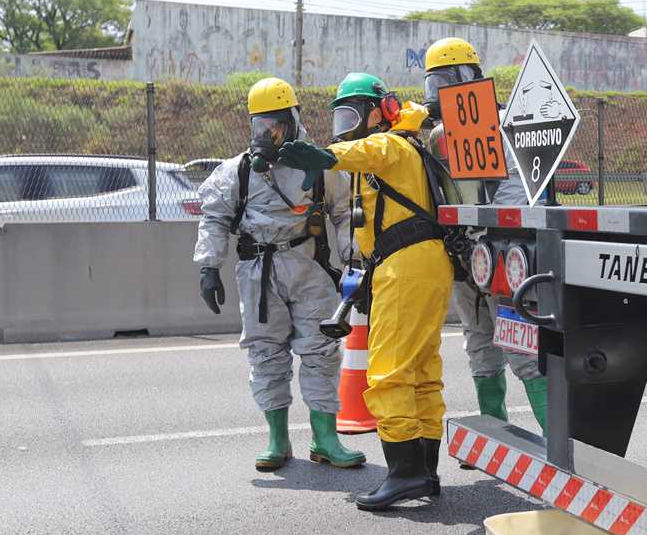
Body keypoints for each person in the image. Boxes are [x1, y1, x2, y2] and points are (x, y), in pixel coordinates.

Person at [278, 72, 454, 511]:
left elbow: (364, 150)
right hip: (425, 263)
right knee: (421, 370)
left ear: (381, 111)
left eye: (354, 113)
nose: (347, 124)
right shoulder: (405, 148)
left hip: (407, 264)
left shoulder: (391, 145)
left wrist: (322, 153)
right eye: (340, 116)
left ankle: (406, 472)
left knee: (390, 371)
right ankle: (426, 469)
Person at [194, 77, 365, 472]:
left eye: (276, 124)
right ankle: (278, 439)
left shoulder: (320, 165)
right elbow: (215, 218)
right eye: (260, 125)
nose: (268, 133)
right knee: (264, 352)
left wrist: (354, 266)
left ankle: (325, 439)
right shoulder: (237, 171)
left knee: (320, 351)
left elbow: (343, 216)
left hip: (309, 265)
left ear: (293, 119)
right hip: (258, 269)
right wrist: (208, 266)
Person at [423, 37, 547, 434]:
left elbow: (516, 196)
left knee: (522, 347)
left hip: (503, 256)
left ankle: (555, 442)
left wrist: (489, 242)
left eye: (444, 81)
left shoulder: (506, 124)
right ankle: (494, 432)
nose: (437, 94)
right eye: (432, 84)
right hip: (465, 257)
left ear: (468, 78)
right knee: (479, 343)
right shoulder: (439, 136)